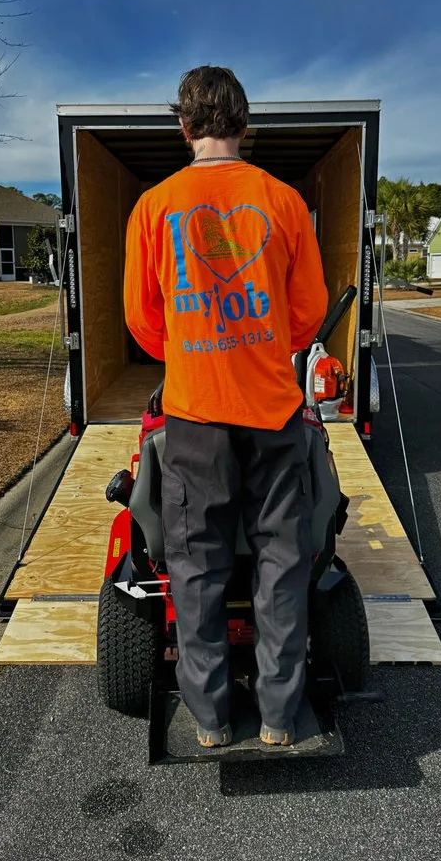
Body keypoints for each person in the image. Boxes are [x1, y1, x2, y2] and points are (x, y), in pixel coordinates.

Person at [124, 66, 328, 747]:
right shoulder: (284, 202)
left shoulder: (154, 207)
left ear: (183, 127)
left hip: (194, 416)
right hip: (273, 413)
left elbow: (142, 321)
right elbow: (308, 314)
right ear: (245, 125)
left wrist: (193, 349)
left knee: (196, 565)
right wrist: (259, 343)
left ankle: (210, 719)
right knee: (283, 560)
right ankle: (278, 716)